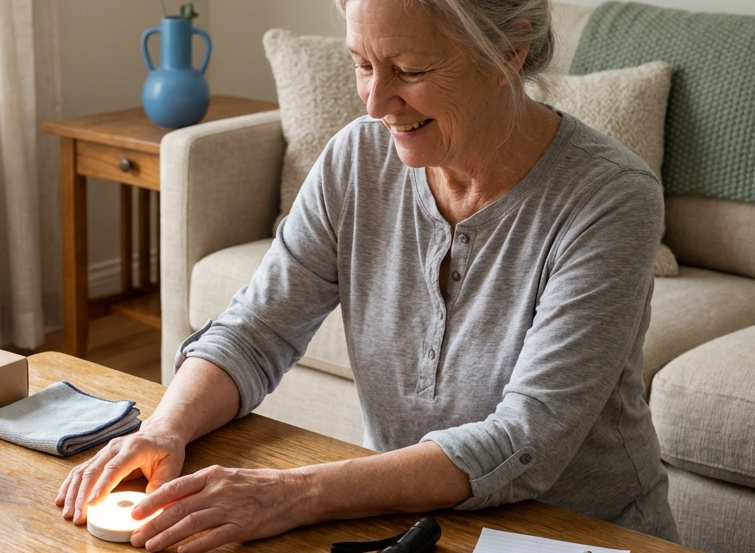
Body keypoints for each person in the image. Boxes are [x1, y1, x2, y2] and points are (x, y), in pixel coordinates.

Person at [57, 0, 680, 550]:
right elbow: (254, 330)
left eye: (409, 71)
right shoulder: (357, 158)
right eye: (362, 64)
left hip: (576, 531)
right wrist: (167, 426)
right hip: (407, 523)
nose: (377, 103)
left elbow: (527, 439)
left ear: (508, 52)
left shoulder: (611, 198)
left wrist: (292, 493)